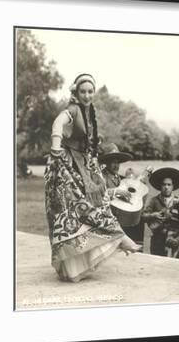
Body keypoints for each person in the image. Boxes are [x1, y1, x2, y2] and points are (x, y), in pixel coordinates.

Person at [44, 73, 141, 283]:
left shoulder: (90, 112)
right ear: (76, 93)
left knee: (97, 203)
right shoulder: (73, 109)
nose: (87, 96)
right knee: (73, 210)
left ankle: (114, 239)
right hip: (66, 165)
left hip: (84, 163)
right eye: (83, 92)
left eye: (90, 92)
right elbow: (58, 123)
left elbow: (86, 139)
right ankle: (115, 239)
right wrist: (55, 146)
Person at [98, 143, 145, 244]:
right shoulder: (101, 177)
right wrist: (115, 191)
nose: (116, 166)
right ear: (106, 162)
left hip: (122, 218)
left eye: (118, 162)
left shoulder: (119, 178)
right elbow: (98, 193)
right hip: (108, 219)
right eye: (113, 162)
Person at [141, 167, 179, 256]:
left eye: (169, 185)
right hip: (157, 238)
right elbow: (143, 216)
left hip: (173, 239)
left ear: (173, 187)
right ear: (160, 186)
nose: (166, 187)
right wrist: (153, 215)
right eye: (164, 184)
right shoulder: (154, 200)